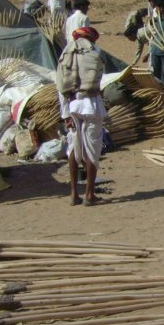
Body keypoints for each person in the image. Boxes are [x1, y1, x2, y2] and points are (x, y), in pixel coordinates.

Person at [56, 25, 105, 205]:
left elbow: (60, 87)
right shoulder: (94, 53)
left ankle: (74, 193)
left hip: (72, 107)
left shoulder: (66, 56)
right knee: (92, 151)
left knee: (74, 148)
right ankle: (90, 195)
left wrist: (66, 114)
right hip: (91, 106)